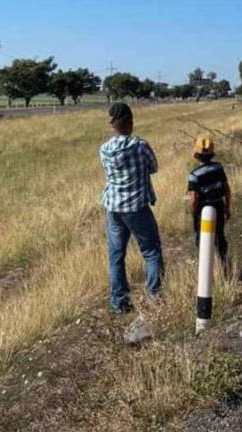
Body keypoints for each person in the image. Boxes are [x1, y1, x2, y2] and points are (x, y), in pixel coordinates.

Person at [99, 103, 164, 314]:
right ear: (130, 122)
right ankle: (155, 297)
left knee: (116, 255)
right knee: (151, 251)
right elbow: (154, 167)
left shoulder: (105, 149)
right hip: (136, 207)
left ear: (113, 125)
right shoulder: (140, 145)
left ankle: (119, 302)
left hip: (113, 207)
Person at [188, 135, 231, 265]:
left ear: (196, 154)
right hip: (218, 205)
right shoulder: (219, 167)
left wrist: (193, 212)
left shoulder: (194, 175)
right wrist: (228, 207)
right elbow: (227, 189)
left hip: (202, 210)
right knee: (220, 236)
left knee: (202, 239)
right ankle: (224, 263)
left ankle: (205, 266)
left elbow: (193, 199)